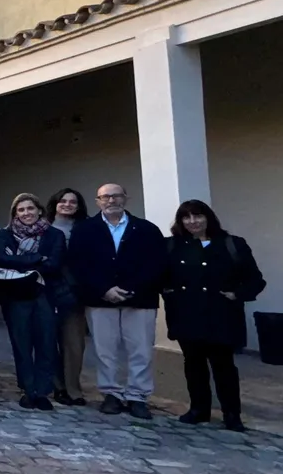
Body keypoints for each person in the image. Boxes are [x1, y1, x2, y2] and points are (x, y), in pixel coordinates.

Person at [162, 200, 266, 432]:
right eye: (186, 217)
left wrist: (236, 294)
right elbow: (160, 275)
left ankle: (232, 413)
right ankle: (199, 409)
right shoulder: (172, 246)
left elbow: (255, 279)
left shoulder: (232, 244)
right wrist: (168, 292)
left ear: (208, 217)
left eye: (197, 216)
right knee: (193, 364)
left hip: (221, 315)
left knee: (224, 366)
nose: (192, 222)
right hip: (187, 313)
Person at [66, 183, 165, 419]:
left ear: (125, 198)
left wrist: (132, 288)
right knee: (105, 350)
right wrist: (104, 289)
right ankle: (111, 393)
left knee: (140, 350)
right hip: (100, 299)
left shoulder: (146, 229)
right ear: (98, 201)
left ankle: (137, 396)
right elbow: (78, 265)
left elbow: (157, 264)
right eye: (106, 197)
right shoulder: (84, 230)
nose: (112, 201)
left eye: (116, 196)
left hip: (140, 299)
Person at [0, 193, 65, 411]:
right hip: (16, 295)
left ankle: (42, 392)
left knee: (46, 343)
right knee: (21, 344)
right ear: (15, 213)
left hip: (45, 294)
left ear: (39, 210)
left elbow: (54, 264)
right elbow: (2, 259)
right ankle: (27, 389)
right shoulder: (6, 234)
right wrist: (36, 259)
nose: (26, 213)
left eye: (30, 209)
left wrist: (22, 264)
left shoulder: (54, 234)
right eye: (21, 210)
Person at [45, 188, 90, 406]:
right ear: (54, 203)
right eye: (62, 200)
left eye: (73, 202)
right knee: (48, 340)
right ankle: (57, 386)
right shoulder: (42, 226)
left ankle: (74, 389)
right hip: (45, 289)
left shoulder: (86, 228)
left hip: (74, 292)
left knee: (73, 343)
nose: (67, 204)